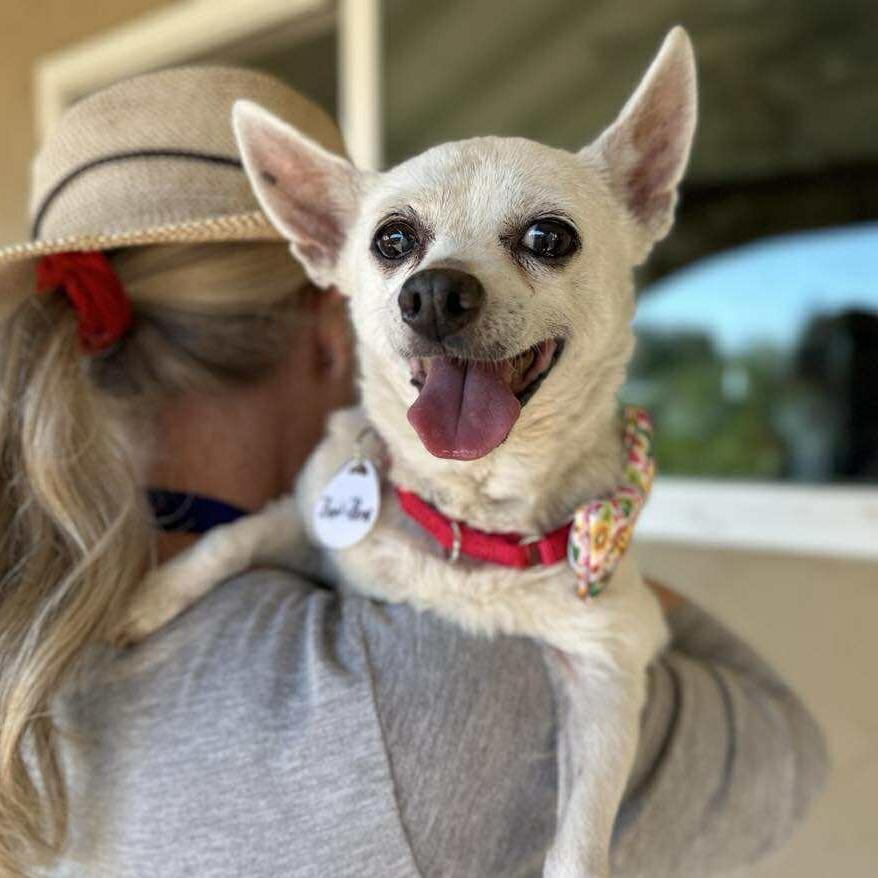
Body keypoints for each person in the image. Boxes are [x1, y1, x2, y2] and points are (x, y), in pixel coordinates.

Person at [0, 66, 826, 878]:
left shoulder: (25, 621)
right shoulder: (429, 690)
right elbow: (786, 755)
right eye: (398, 246)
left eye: (543, 241)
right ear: (334, 307)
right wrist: (592, 544)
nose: (436, 290)